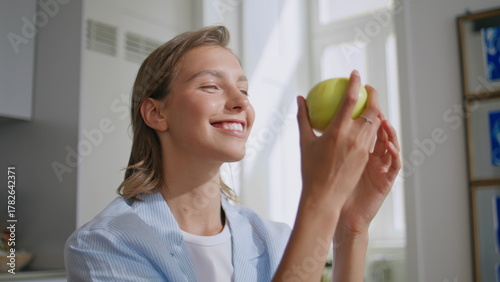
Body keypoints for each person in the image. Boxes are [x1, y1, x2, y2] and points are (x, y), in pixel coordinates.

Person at [64, 25, 401, 282]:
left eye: (244, 89)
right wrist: (322, 196)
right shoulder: (104, 246)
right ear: (156, 113)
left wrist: (351, 227)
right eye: (211, 85)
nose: (241, 103)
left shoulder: (273, 239)